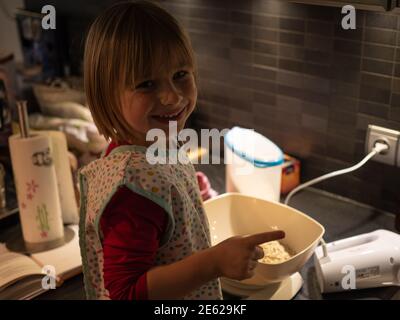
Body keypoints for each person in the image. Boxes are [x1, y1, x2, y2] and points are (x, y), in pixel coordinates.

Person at [78, 1, 285, 300]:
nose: (172, 96)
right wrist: (214, 263)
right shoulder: (133, 191)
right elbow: (125, 293)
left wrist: (191, 194)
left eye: (180, 75)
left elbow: (160, 196)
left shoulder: (151, 140)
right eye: (146, 84)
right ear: (106, 95)